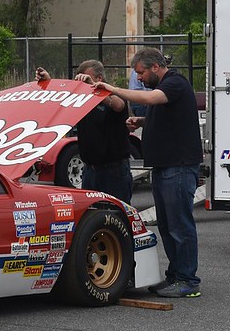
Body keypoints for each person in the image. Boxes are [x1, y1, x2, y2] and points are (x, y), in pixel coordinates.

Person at [93, 47, 202, 298]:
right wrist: (142, 122)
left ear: (155, 67)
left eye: (140, 73)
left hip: (179, 167)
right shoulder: (163, 89)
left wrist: (111, 88)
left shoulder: (174, 83)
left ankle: (188, 280)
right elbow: (165, 115)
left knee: (179, 226)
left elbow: (151, 100)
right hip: (165, 168)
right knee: (167, 225)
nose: (138, 78)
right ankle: (176, 276)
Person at [36, 60, 132, 204]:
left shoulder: (113, 95)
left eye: (85, 79)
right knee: (92, 216)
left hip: (113, 170)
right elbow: (60, 97)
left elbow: (118, 105)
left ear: (99, 78)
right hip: (89, 170)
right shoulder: (83, 98)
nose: (82, 84)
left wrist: (94, 87)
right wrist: (48, 82)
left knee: (118, 214)